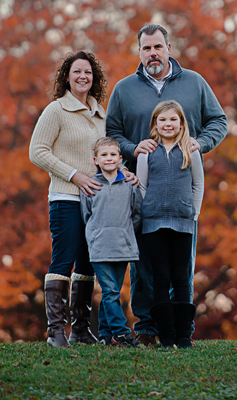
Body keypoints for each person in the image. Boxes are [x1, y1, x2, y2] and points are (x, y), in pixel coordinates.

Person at [106, 24, 227, 345]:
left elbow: (219, 121)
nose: (153, 54)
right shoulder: (124, 89)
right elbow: (112, 132)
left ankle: (180, 329)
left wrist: (200, 143)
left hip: (181, 192)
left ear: (169, 47)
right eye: (146, 49)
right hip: (142, 189)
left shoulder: (194, 83)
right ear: (140, 52)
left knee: (180, 266)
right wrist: (134, 149)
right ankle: (147, 327)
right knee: (144, 265)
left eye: (158, 47)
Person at [29, 51, 108, 347]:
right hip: (66, 198)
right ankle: (56, 332)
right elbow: (37, 151)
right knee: (64, 260)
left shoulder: (101, 114)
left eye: (88, 72)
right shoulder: (56, 110)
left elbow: (108, 153)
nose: (82, 77)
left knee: (88, 263)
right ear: (67, 77)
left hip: (96, 201)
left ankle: (82, 330)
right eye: (77, 72)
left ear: (94, 77)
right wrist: (74, 175)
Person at [136, 101, 204, 348]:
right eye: (162, 120)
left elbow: (198, 185)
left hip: (183, 222)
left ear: (181, 123)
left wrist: (193, 213)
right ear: (155, 123)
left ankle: (183, 336)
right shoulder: (147, 152)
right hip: (153, 224)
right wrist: (147, 210)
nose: (168, 124)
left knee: (181, 277)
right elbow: (141, 186)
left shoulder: (190, 150)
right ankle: (165, 336)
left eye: (173, 120)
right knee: (160, 277)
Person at [80, 137, 142, 348]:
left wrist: (125, 233)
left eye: (113, 154)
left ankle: (106, 334)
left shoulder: (129, 185)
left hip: (122, 246)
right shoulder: (90, 186)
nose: (109, 158)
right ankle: (123, 333)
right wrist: (95, 236)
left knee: (112, 291)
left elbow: (137, 214)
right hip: (100, 247)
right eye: (104, 155)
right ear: (96, 160)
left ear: (120, 158)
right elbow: (86, 216)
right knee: (110, 291)